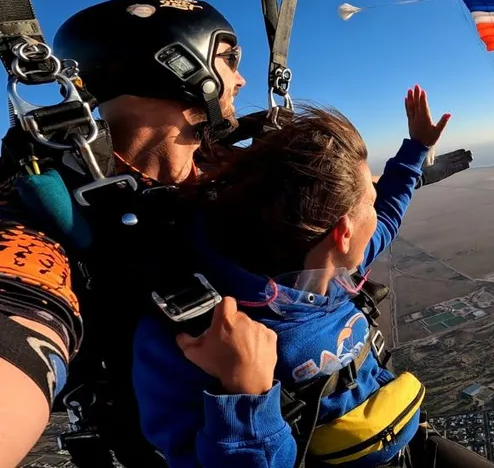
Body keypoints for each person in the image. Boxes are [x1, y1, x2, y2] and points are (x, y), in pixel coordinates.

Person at [132, 86, 449, 467]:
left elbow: (390, 214)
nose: (377, 209)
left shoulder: (334, 267)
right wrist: (246, 397)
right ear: (343, 232)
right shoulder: (196, 332)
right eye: (370, 200)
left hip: (403, 440)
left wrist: (417, 147)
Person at [0, 0, 246, 467]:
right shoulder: (44, 209)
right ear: (178, 64)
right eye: (228, 58)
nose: (240, 78)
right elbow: (19, 307)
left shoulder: (235, 171)